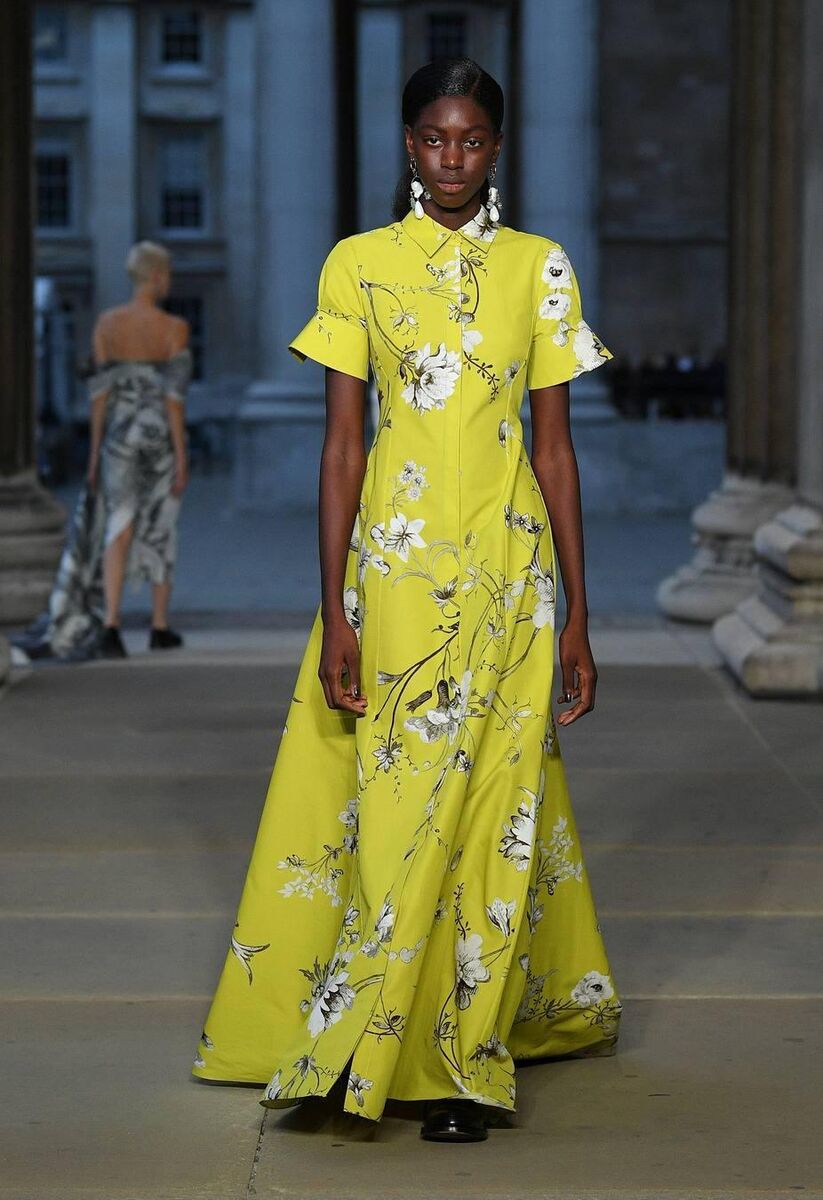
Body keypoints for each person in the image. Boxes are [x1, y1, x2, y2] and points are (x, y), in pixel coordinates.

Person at [192, 57, 622, 1143]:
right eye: (434, 138)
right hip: (390, 581)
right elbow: (343, 446)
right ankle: (354, 1043)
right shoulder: (359, 266)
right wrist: (331, 608)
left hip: (512, 582)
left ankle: (460, 1068)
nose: (451, 159)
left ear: (498, 149)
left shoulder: (541, 269)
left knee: (491, 821)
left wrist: (579, 612)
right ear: (407, 144)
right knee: (387, 821)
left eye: (472, 140)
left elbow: (557, 455)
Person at [13, 241, 191, 661]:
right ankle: (159, 627)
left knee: (118, 525)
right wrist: (182, 456)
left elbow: (99, 398)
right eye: (166, 273)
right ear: (156, 276)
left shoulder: (107, 325)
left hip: (118, 438)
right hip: (157, 439)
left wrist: (92, 455)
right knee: (161, 526)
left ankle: (110, 623)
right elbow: (174, 400)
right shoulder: (174, 328)